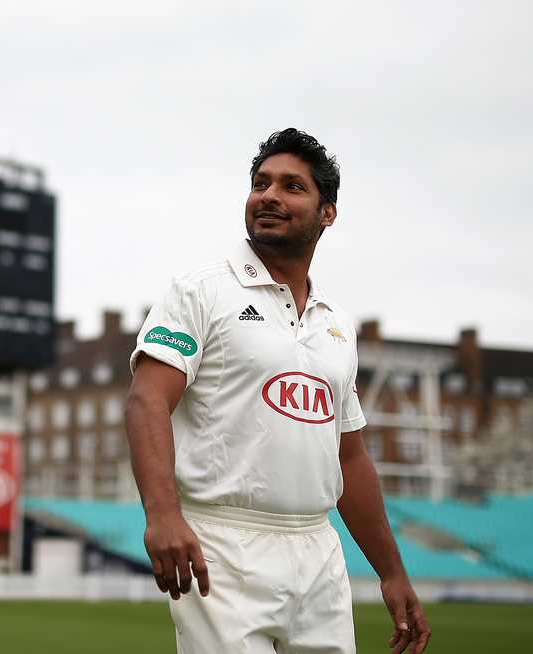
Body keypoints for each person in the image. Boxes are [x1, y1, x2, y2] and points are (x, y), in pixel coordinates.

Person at [126, 128, 431, 654]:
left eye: (292, 187)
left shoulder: (336, 326)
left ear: (327, 212)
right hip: (222, 543)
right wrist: (163, 514)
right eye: (260, 183)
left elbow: (350, 458)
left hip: (318, 550)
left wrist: (392, 572)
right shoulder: (201, 290)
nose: (268, 196)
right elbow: (146, 400)